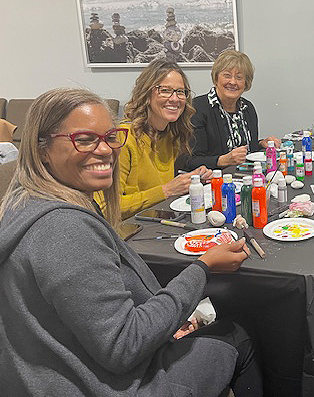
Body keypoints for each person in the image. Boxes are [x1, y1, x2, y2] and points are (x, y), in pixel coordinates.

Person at [0, 88, 262, 396]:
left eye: (110, 137)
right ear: (42, 148)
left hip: (66, 370)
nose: (105, 150)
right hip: (102, 384)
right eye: (84, 140)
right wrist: (202, 268)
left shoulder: (25, 204)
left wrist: (165, 323)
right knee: (238, 334)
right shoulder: (64, 230)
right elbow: (124, 346)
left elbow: (96, 315)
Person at [108, 58, 212, 219]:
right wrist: (167, 190)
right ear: (147, 94)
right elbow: (108, 207)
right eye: (165, 90)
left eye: (180, 91)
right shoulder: (123, 138)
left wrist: (192, 179)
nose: (175, 99)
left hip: (158, 222)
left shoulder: (171, 134)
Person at [183, 50, 281, 170]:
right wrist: (222, 160)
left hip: (248, 178)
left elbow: (249, 152)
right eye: (227, 75)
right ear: (216, 78)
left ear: (246, 83)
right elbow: (190, 160)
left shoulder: (247, 108)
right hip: (214, 182)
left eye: (239, 77)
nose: (233, 82)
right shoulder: (197, 108)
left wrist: (261, 144)